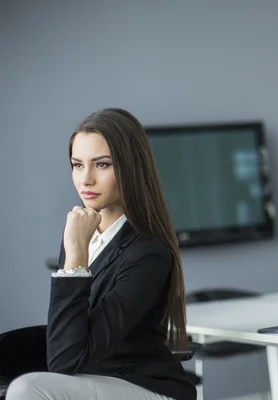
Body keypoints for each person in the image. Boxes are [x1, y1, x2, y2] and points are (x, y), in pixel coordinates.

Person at [7, 108, 196, 400]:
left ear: (130, 168)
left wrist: (75, 258)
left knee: (27, 390)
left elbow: (65, 361)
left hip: (145, 386)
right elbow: (64, 346)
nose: (86, 180)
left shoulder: (148, 253)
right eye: (77, 165)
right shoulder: (79, 235)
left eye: (102, 165)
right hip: (92, 381)